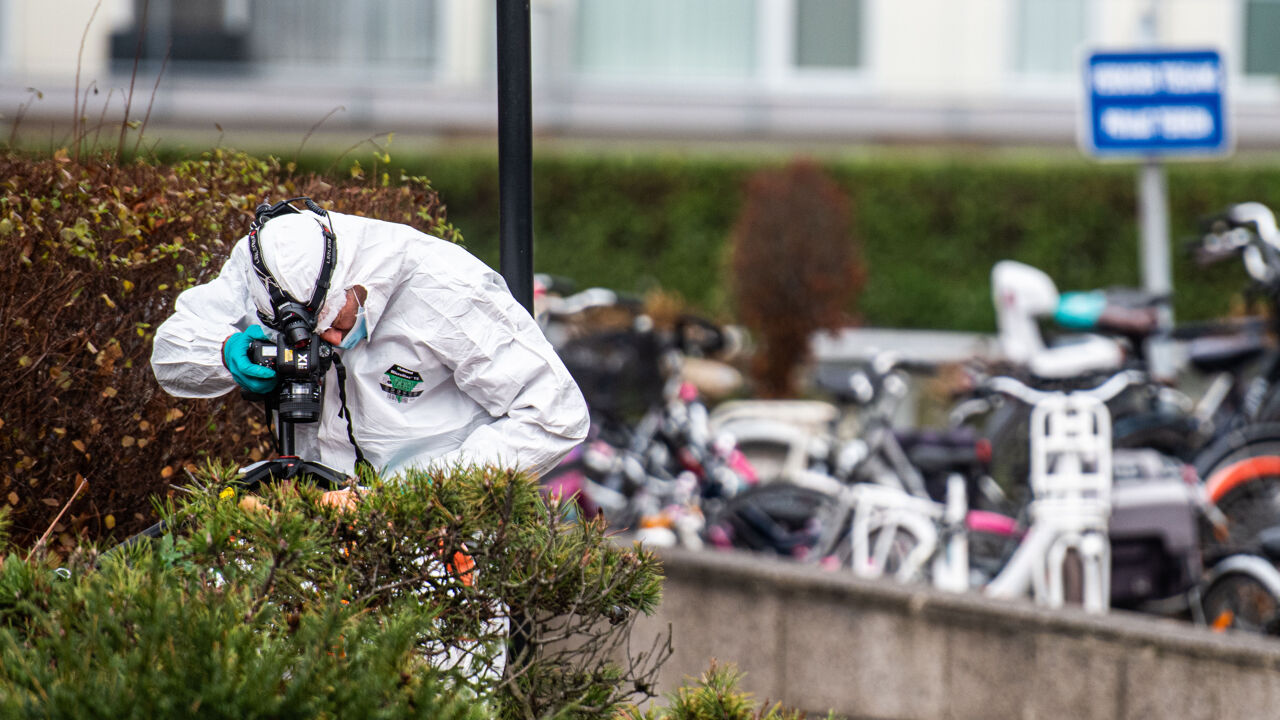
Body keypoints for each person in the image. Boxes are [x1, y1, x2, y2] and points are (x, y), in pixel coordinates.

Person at [151, 198, 590, 507]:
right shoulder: (261, 263)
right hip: (313, 530)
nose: (332, 344)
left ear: (352, 274)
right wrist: (223, 353)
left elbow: (554, 415)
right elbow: (170, 356)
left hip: (440, 545)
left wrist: (408, 498)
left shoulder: (448, 287)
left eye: (336, 323)